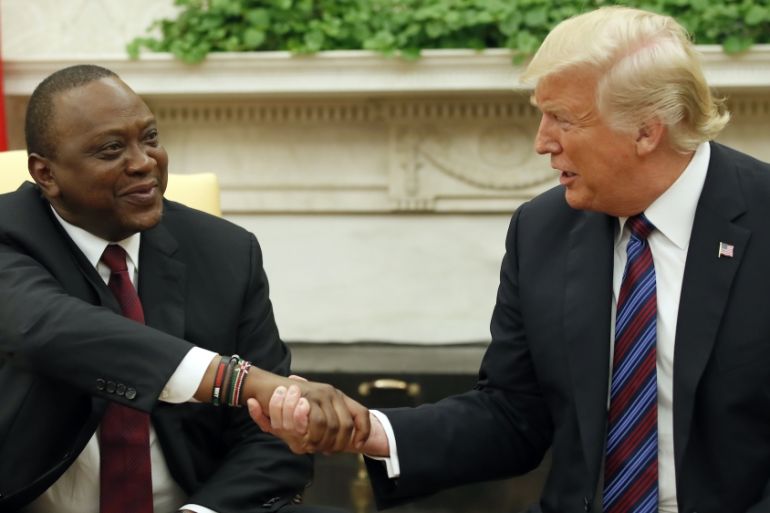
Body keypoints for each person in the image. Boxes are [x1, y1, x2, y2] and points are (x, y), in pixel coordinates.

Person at [258, 6, 770, 513]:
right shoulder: (543, 229)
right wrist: (367, 429)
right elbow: (512, 414)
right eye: (541, 114)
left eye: (563, 119)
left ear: (646, 130)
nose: (542, 143)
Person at [0, 64, 368, 513]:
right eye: (112, 148)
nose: (144, 162)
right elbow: (50, 330)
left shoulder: (226, 252)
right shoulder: (8, 234)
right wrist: (242, 381)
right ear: (46, 173)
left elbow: (269, 439)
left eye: (150, 138)